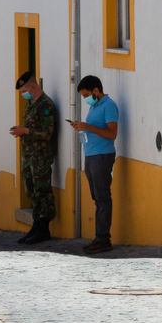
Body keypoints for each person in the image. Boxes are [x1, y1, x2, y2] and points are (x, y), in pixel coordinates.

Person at [68, 75, 118, 254]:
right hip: (90, 155)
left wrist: (88, 127)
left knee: (103, 198)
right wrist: (81, 126)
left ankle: (103, 238)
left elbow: (112, 133)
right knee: (97, 198)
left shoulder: (109, 105)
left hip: (102, 156)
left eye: (86, 94)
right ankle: (99, 237)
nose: (85, 99)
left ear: (96, 90)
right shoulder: (93, 106)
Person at [10, 71, 57, 244]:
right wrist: (22, 130)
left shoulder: (46, 106)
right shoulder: (32, 104)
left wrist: (26, 131)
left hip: (41, 156)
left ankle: (43, 227)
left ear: (33, 86)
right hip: (29, 156)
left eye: (24, 90)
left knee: (42, 190)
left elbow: (47, 133)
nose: (23, 94)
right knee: (31, 190)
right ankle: (36, 225)